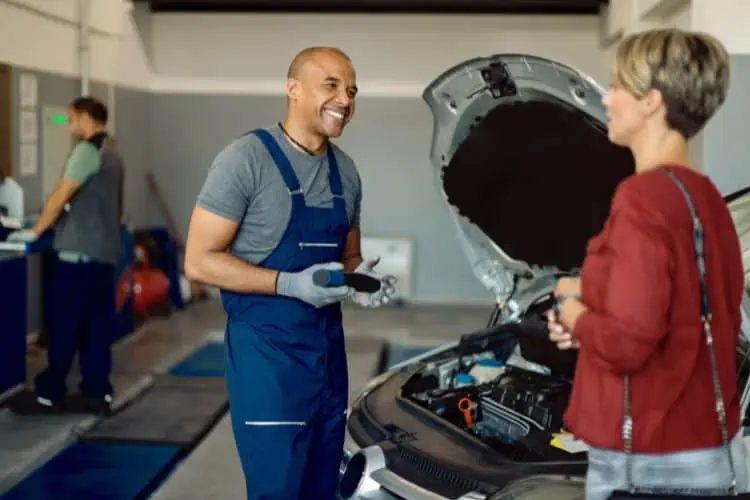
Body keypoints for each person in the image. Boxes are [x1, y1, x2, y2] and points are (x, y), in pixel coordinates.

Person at [184, 46, 397, 499]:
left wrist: (361, 281)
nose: (346, 99)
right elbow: (198, 260)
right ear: (293, 89)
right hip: (268, 363)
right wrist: (287, 284)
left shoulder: (347, 173)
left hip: (327, 361)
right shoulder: (246, 159)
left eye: (353, 90)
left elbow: (349, 259)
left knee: (323, 489)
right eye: (332, 85)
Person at [546, 28, 748, 499]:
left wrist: (572, 309)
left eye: (617, 86)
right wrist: (587, 310)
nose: (608, 98)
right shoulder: (707, 199)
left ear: (651, 102)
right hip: (709, 447)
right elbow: (688, 314)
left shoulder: (641, 199)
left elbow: (629, 344)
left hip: (649, 462)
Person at [8, 96, 124, 416]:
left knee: (63, 323)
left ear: (86, 118)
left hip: (78, 255)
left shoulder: (87, 151)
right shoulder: (112, 152)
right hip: (104, 254)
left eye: (71, 119)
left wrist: (33, 231)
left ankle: (50, 393)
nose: (69, 125)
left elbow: (62, 194)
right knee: (95, 327)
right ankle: (96, 393)